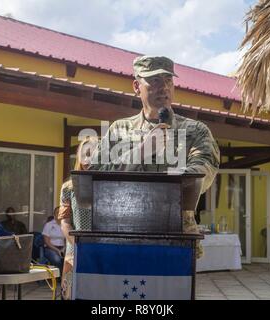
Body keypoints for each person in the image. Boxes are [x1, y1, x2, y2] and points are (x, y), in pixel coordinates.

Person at [89, 55, 220, 258]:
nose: (164, 87)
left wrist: (172, 180)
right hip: (124, 237)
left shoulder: (196, 131)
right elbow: (95, 176)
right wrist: (139, 153)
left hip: (178, 239)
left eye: (168, 81)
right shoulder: (119, 130)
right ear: (136, 86)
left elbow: (203, 171)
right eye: (155, 80)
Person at [58, 136, 98, 300]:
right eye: (84, 154)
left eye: (93, 153)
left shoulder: (108, 185)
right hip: (75, 252)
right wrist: (78, 245)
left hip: (100, 251)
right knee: (72, 294)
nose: (87, 158)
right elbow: (65, 223)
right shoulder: (68, 188)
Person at [42, 207, 65, 272]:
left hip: (63, 248)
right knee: (57, 260)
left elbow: (67, 240)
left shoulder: (65, 225)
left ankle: (64, 277)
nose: (59, 214)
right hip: (50, 248)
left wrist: (64, 249)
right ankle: (59, 277)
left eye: (60, 212)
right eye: (57, 212)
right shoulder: (48, 225)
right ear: (54, 214)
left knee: (69, 259)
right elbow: (46, 242)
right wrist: (57, 250)